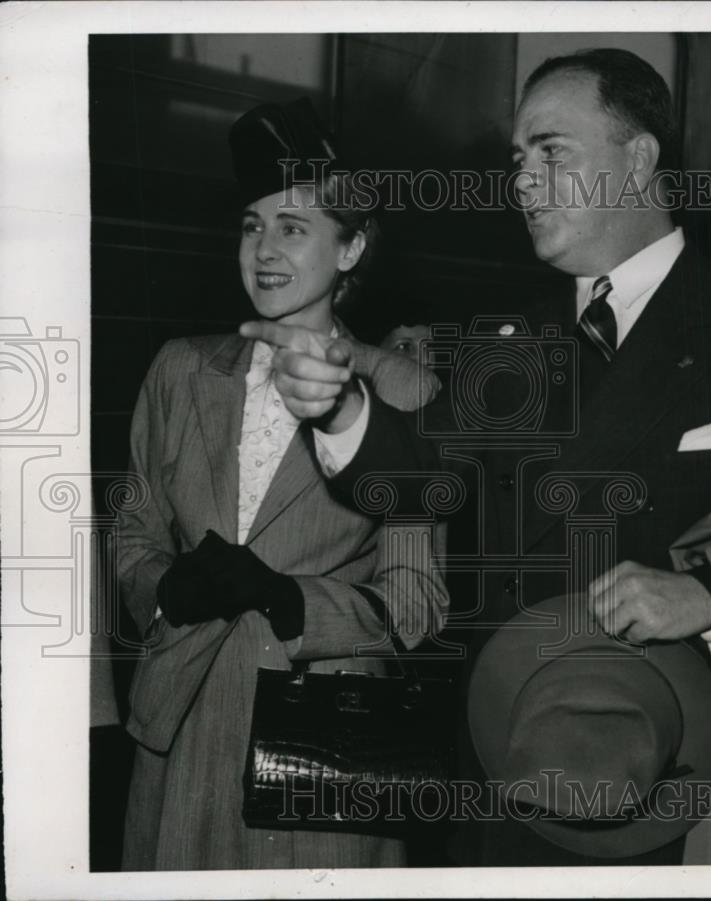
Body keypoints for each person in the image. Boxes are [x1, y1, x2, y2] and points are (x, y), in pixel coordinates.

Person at [242, 50, 711, 864]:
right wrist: (340, 407)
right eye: (518, 159)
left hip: (689, 781)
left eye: (551, 151)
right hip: (514, 758)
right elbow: (422, 479)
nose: (523, 180)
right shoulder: (507, 342)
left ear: (637, 160)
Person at [117, 98, 448, 871]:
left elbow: (418, 600)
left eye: (294, 227)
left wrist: (293, 601)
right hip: (179, 721)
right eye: (251, 224)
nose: (263, 248)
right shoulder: (180, 369)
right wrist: (170, 591)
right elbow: (133, 533)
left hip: (322, 737)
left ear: (353, 246)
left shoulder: (405, 393)